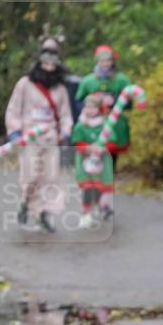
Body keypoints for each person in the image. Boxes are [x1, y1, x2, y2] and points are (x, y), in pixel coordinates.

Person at [5, 47, 74, 233]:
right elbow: (13, 109)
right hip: (29, 138)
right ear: (39, 62)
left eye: (53, 61)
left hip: (51, 139)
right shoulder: (25, 84)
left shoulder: (60, 88)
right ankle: (25, 205)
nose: (49, 65)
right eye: (46, 61)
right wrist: (14, 131)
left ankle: (44, 214)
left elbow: (65, 114)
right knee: (30, 177)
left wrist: (65, 131)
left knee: (50, 178)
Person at [76, 45, 132, 168]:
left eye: (109, 60)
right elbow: (78, 102)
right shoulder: (88, 81)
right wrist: (90, 108)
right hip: (93, 125)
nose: (106, 64)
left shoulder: (122, 80)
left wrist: (115, 100)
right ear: (97, 61)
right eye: (103, 61)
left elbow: (129, 104)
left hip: (114, 123)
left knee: (110, 153)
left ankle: (109, 176)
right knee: (92, 152)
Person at [70, 93, 115, 227]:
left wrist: (103, 148)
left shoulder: (106, 124)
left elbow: (112, 141)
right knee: (88, 188)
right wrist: (88, 148)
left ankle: (103, 207)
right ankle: (86, 213)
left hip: (102, 161)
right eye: (87, 107)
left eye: (93, 107)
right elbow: (77, 142)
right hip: (85, 161)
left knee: (104, 187)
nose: (89, 110)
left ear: (99, 109)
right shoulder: (80, 125)